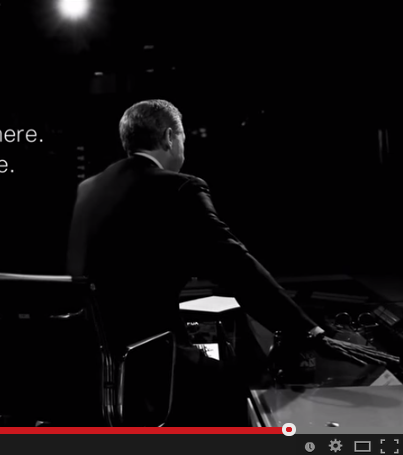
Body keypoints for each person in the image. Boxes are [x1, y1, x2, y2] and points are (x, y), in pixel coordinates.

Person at [66, 99, 399, 426]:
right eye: (183, 138)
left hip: (89, 363)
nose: (183, 147)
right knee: (240, 386)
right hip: (153, 364)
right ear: (169, 137)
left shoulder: (89, 188)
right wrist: (305, 329)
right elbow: (235, 264)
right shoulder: (179, 187)